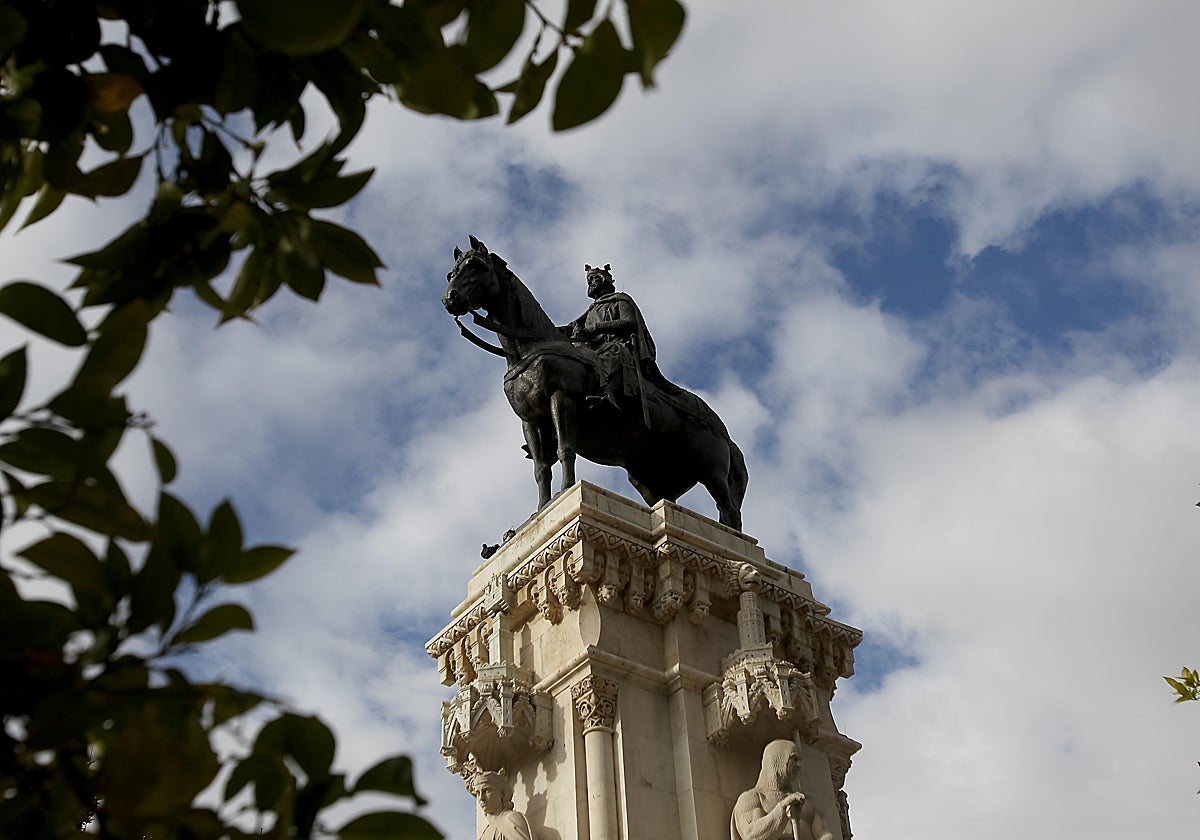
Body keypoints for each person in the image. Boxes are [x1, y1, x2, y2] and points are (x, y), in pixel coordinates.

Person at [560, 264, 663, 421]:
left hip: (617, 345)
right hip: (591, 349)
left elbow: (629, 322)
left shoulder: (619, 300)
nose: (590, 283)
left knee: (611, 352)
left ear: (604, 281)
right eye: (589, 280)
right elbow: (570, 327)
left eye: (594, 279)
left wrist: (597, 328)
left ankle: (610, 397)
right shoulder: (591, 310)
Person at [731, 740, 833, 840]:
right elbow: (751, 835)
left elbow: (824, 835)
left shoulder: (807, 802)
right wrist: (783, 808)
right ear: (778, 759)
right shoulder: (751, 799)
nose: (799, 765)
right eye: (794, 759)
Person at [472, 771, 535, 840]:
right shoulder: (485, 833)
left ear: (502, 793)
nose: (481, 798)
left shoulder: (511, 819)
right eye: (478, 793)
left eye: (487, 790)